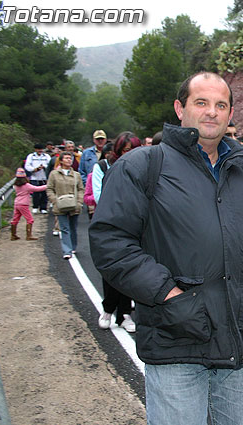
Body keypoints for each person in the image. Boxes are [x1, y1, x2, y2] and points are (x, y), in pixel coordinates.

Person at [88, 71, 243, 425]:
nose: (211, 112)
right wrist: (171, 297)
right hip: (175, 342)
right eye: (201, 102)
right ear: (180, 109)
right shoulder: (142, 166)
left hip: (239, 343)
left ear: (230, 114)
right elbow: (111, 242)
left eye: (221, 105)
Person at [93, 132, 141, 333]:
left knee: (131, 269)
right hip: (111, 223)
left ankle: (124, 314)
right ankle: (108, 308)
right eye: (126, 150)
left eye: (133, 150)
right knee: (112, 267)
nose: (129, 154)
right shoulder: (104, 167)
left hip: (135, 224)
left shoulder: (143, 167)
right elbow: (99, 195)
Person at [46, 152, 84, 260]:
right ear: (61, 161)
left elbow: (81, 189)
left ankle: (73, 246)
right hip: (60, 204)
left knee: (73, 227)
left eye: (70, 158)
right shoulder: (54, 174)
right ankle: (67, 250)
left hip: (74, 204)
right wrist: (54, 201)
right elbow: (49, 188)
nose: (69, 160)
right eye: (66, 158)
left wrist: (79, 202)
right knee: (64, 228)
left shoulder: (76, 175)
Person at [11, 168, 46, 241]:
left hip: (17, 203)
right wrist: (47, 186)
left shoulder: (15, 185)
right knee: (30, 220)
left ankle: (13, 235)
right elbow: (37, 189)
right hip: (24, 204)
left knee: (15, 219)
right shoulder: (26, 185)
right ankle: (29, 236)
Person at [24, 143, 51, 214]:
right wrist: (34, 169)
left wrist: (44, 167)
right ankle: (35, 207)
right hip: (34, 177)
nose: (40, 151)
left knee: (44, 193)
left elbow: (50, 165)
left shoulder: (46, 156)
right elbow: (27, 166)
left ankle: (43, 207)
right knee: (35, 193)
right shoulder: (31, 156)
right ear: (35, 149)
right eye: (38, 149)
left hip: (44, 177)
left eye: (41, 149)